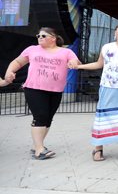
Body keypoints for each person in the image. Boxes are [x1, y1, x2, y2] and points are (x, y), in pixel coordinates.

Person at [70, 23, 118, 161]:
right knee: (103, 116)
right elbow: (99, 64)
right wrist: (79, 66)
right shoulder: (106, 47)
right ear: (115, 32)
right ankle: (98, 149)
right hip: (108, 87)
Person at [4, 27, 80, 159]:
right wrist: (9, 72)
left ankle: (37, 145)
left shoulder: (66, 52)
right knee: (40, 116)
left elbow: (75, 61)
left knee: (48, 119)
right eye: (38, 35)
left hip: (56, 90)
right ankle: (39, 149)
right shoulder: (32, 49)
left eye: (43, 36)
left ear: (53, 38)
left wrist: (73, 62)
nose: (40, 37)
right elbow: (17, 62)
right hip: (34, 89)